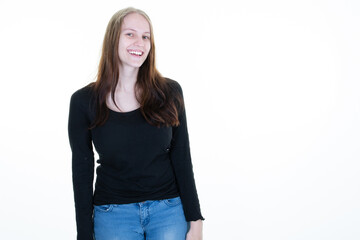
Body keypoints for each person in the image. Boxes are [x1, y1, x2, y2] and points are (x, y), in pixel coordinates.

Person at [68, 7, 204, 240]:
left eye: (145, 36)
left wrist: (196, 219)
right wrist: (84, 234)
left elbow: (182, 157)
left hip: (168, 212)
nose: (139, 42)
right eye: (130, 34)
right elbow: (81, 171)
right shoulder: (83, 102)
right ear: (113, 39)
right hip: (112, 214)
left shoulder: (170, 92)